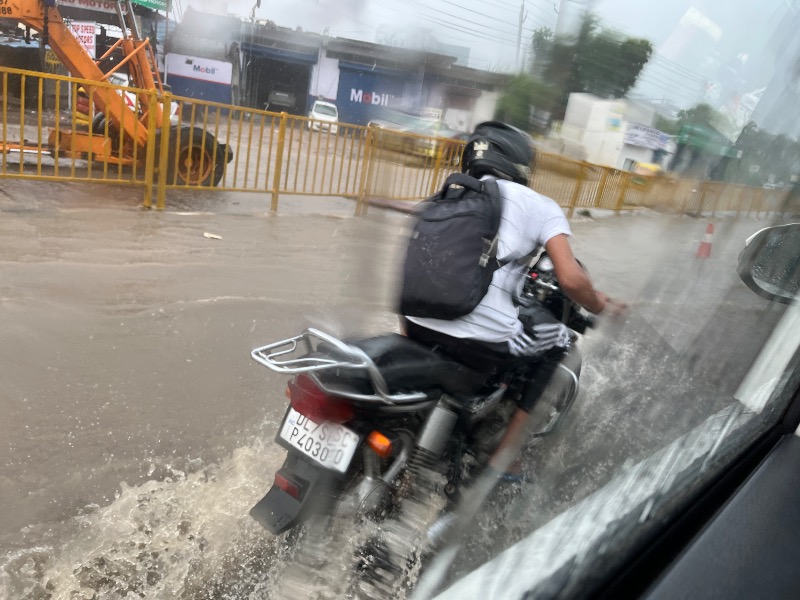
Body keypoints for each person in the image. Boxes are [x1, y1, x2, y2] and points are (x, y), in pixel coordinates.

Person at [402, 121, 627, 481]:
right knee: (563, 344)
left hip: (416, 328)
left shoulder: (445, 195)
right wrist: (602, 306)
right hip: (477, 342)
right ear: (519, 162)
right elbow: (570, 278)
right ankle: (505, 459)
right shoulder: (539, 205)